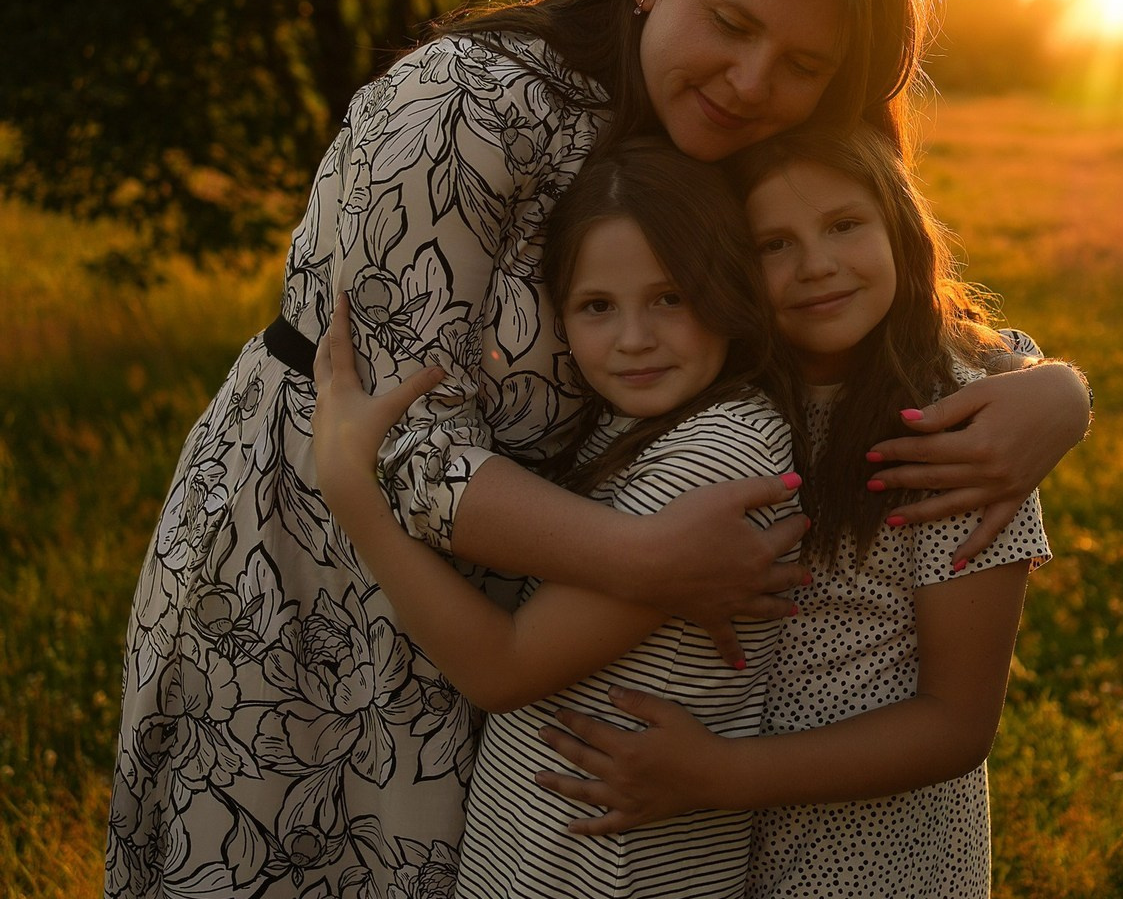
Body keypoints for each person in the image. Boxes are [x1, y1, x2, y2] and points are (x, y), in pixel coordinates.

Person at [105, 0, 1089, 899]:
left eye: (803, 63)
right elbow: (402, 447)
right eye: (731, 22)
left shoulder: (738, 126)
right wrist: (638, 557)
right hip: (320, 567)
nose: (752, 80)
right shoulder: (465, 102)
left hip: (539, 611)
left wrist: (1050, 389)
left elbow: (863, 294)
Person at [535, 126, 1062, 898]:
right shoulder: (720, 392)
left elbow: (956, 723)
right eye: (773, 244)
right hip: (714, 849)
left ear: (899, 226)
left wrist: (721, 773)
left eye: (844, 225)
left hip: (876, 862)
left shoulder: (958, 434)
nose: (816, 264)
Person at [313, 139, 806, 898]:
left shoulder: (719, 455)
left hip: (609, 870)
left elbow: (502, 669)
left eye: (671, 297)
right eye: (597, 307)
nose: (634, 339)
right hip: (550, 854)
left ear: (727, 290)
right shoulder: (635, 424)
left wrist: (355, 496)